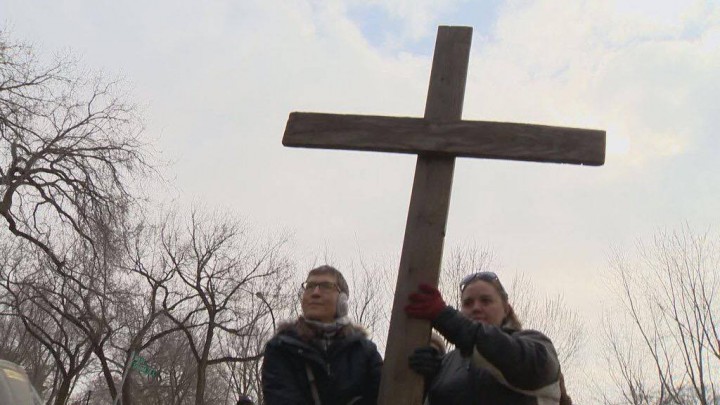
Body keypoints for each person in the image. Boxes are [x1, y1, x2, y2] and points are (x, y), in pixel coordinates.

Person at [405, 271, 564, 404]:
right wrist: (425, 383)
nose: (476, 308)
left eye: (485, 301)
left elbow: (508, 355)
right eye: (468, 303)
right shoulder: (446, 364)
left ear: (506, 309)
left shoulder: (537, 347)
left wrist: (446, 317)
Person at [262, 265, 383, 405]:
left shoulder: (365, 351)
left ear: (342, 300)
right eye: (310, 286)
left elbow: (387, 395)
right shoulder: (281, 348)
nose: (315, 293)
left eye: (325, 286)